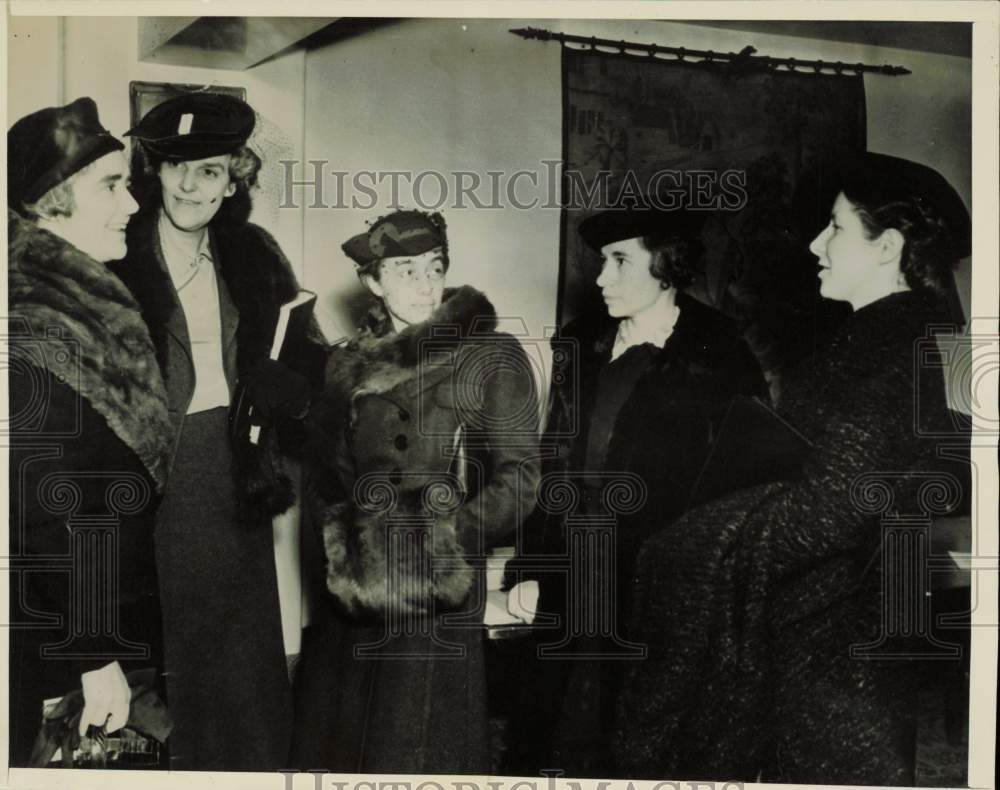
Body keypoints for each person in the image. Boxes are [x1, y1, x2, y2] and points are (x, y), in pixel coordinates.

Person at [615, 153, 971, 784]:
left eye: (834, 228)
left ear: (887, 247)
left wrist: (690, 543)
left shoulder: (886, 348)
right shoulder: (908, 333)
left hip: (825, 630)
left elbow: (832, 509)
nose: (815, 245)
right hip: (841, 622)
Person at [503, 208, 768, 777]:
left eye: (621, 260)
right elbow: (554, 461)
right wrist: (531, 565)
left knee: (642, 728)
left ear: (668, 265)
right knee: (549, 719)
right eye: (603, 262)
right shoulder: (581, 343)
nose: (602, 278)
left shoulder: (718, 352)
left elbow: (747, 482)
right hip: (573, 562)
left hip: (662, 578)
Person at [111, 92, 328, 770]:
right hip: (143, 470)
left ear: (233, 178)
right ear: (154, 172)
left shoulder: (253, 255)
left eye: (207, 170)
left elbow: (306, 362)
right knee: (167, 641)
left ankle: (255, 768)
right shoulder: (115, 251)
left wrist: (287, 384)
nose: (188, 184)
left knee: (242, 645)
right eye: (175, 166)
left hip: (232, 467)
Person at [291, 209, 540, 774]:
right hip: (356, 590)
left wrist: (441, 545)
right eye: (406, 271)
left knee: (418, 745)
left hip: (430, 584)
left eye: (435, 266)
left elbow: (521, 478)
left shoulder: (486, 354)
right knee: (347, 744)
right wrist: (342, 554)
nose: (427, 284)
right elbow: (324, 480)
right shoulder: (345, 363)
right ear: (373, 282)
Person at [7, 98, 172, 766]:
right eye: (110, 185)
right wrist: (94, 651)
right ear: (50, 203)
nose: (132, 203)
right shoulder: (32, 325)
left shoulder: (87, 302)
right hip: (57, 645)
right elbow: (41, 512)